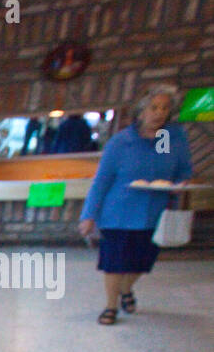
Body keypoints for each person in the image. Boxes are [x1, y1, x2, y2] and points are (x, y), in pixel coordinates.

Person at [79, 86, 192, 325]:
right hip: (118, 213)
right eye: (153, 108)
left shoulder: (169, 138)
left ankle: (126, 289)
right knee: (115, 264)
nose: (159, 113)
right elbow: (102, 181)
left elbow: (180, 170)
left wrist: (181, 182)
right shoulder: (122, 142)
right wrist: (88, 215)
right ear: (140, 112)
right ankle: (110, 306)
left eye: (164, 108)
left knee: (142, 262)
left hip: (154, 213)